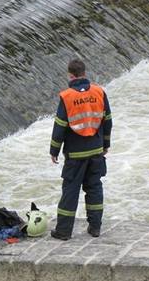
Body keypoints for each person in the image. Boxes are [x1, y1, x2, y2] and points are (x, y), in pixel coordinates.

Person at [49, 59, 112, 240]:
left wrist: (54, 151)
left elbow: (60, 126)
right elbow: (107, 120)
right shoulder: (99, 92)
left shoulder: (67, 96)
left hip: (75, 154)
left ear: (70, 75)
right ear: (84, 73)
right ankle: (95, 227)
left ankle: (63, 231)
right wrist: (105, 144)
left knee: (70, 191)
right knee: (94, 188)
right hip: (96, 151)